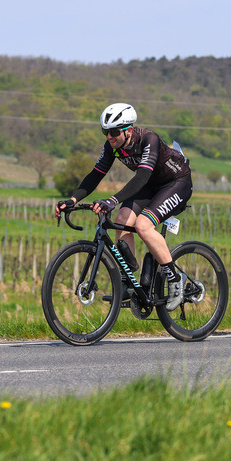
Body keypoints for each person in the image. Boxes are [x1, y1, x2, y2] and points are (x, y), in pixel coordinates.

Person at [54, 103, 193, 311]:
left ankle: (175, 279)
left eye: (113, 131)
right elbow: (96, 175)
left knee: (143, 226)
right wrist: (72, 200)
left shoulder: (149, 139)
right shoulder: (112, 146)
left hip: (176, 183)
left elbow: (142, 176)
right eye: (105, 131)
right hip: (150, 186)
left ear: (128, 129)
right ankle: (129, 280)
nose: (109, 136)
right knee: (122, 220)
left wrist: (112, 199)